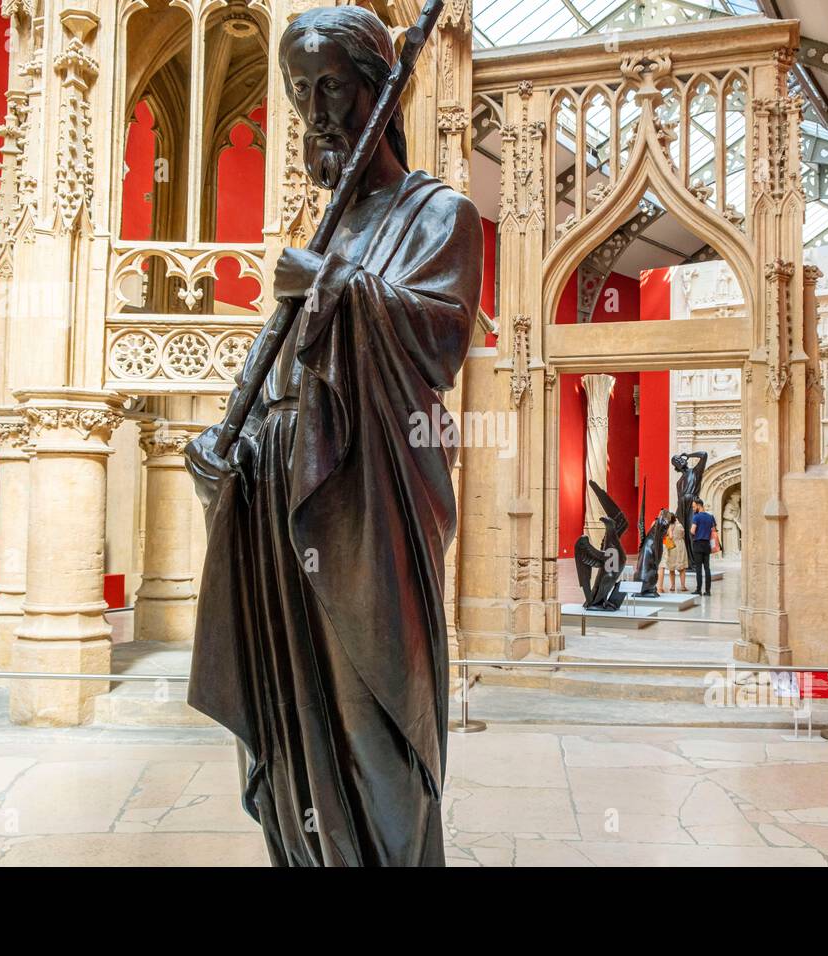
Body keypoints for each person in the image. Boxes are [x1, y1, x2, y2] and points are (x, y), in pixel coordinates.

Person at [183, 6, 483, 867]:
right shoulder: (325, 229)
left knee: (376, 714)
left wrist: (336, 287)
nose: (315, 111)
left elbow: (439, 341)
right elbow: (280, 379)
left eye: (334, 87)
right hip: (281, 501)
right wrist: (227, 454)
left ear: (383, 93)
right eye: (299, 91)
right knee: (294, 714)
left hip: (367, 516)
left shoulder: (440, 215)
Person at [689, 498, 720, 597]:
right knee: (707, 568)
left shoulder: (696, 517)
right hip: (707, 544)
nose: (693, 509)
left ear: (699, 505)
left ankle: (698, 590)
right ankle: (708, 591)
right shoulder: (710, 517)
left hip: (698, 544)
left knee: (698, 568)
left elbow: (692, 531)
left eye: (694, 507)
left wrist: (695, 532)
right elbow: (714, 530)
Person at [660, 510, 688, 593]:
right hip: (680, 546)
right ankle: (683, 586)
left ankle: (672, 586)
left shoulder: (667, 526)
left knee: (671, 568)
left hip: (671, 546)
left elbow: (666, 536)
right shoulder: (679, 525)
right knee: (682, 568)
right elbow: (683, 534)